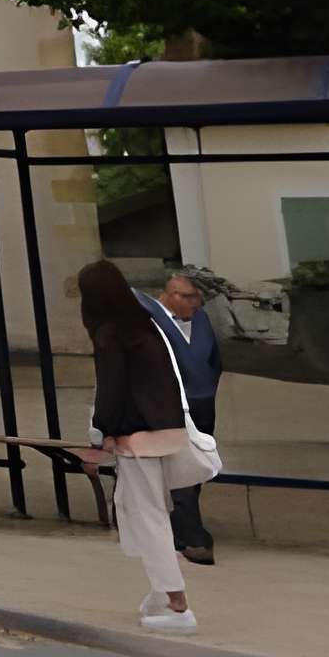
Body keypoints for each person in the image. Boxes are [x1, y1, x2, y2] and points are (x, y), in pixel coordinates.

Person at [76, 258, 212, 635]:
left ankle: (177, 604)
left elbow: (111, 390)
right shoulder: (144, 325)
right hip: (165, 430)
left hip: (136, 438)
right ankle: (160, 593)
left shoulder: (110, 333)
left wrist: (100, 437)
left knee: (148, 517)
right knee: (149, 513)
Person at [142, 270, 223, 565]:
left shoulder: (201, 320)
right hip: (168, 407)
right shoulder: (148, 320)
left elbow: (214, 361)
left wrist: (206, 390)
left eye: (197, 297)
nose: (194, 303)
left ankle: (181, 529)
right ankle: (192, 538)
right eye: (187, 296)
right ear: (167, 294)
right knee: (179, 469)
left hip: (202, 404)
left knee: (195, 466)